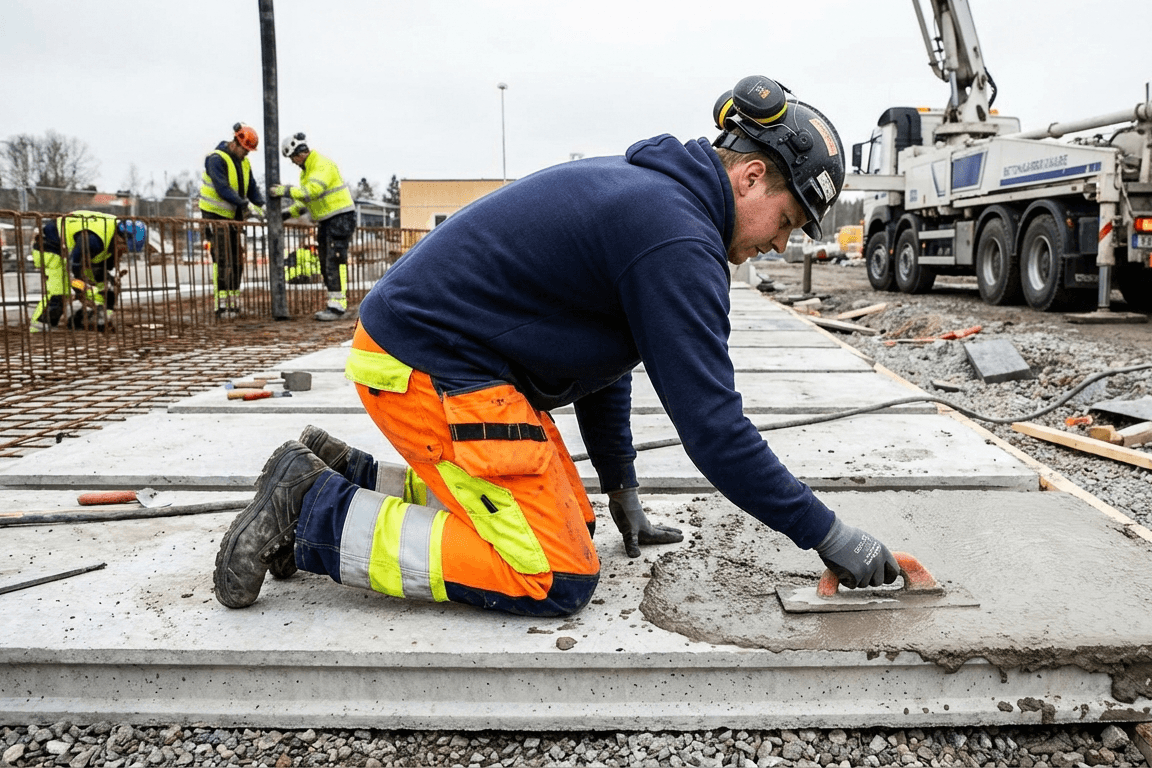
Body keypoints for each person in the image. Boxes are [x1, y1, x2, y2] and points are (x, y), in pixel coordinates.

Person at [214, 76, 900, 617]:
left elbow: (607, 363)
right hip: (426, 362)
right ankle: (310, 512)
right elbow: (716, 433)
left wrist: (623, 490)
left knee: (574, 519)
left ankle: (354, 478)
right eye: (787, 221)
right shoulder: (678, 238)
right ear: (751, 177)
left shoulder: (659, 202)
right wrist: (829, 537)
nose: (781, 243)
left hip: (445, 357)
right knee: (552, 571)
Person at [270, 133, 356, 321]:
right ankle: (334, 303)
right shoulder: (307, 171)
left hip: (340, 218)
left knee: (334, 259)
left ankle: (337, 306)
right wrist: (287, 213)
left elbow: (310, 193)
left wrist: (284, 190)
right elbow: (308, 202)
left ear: (299, 154)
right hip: (328, 220)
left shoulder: (321, 164)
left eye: (292, 158)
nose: (293, 162)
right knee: (326, 261)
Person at [28, 211, 146, 333]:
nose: (124, 251)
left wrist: (108, 281)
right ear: (119, 237)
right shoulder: (92, 239)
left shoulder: (111, 237)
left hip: (76, 254)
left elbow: (102, 266)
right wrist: (81, 292)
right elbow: (74, 271)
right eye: (124, 246)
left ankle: (92, 318)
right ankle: (40, 325)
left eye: (128, 250)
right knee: (61, 289)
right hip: (50, 247)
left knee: (107, 286)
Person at [199, 122, 266, 319]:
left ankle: (233, 300)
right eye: (245, 150)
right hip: (215, 216)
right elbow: (223, 188)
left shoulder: (244, 162)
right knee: (222, 259)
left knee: (236, 259)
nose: (247, 154)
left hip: (234, 219)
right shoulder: (216, 159)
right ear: (236, 142)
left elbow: (251, 186)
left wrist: (261, 205)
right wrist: (245, 205)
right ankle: (221, 304)